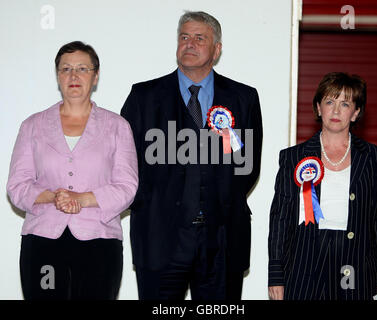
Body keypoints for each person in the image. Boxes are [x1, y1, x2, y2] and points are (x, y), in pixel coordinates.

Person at [121, 11, 263, 300]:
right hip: (160, 239)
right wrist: (150, 204)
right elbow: (124, 162)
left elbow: (247, 167)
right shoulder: (144, 97)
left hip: (222, 241)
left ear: (217, 49)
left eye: (200, 38)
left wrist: (220, 199)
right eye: (184, 37)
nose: (189, 43)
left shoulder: (243, 98)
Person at [7, 41, 138, 300]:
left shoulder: (117, 127)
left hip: (99, 240)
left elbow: (127, 186)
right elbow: (17, 185)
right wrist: (51, 196)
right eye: (66, 69)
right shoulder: (32, 126)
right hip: (43, 240)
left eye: (82, 68)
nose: (73, 76)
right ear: (58, 76)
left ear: (96, 75)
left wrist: (83, 199)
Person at [268, 72, 377, 300]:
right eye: (329, 102)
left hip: (356, 263)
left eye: (345, 103)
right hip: (304, 263)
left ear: (356, 112)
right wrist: (276, 274)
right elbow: (280, 219)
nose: (336, 111)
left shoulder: (376, 159)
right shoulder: (293, 157)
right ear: (318, 108)